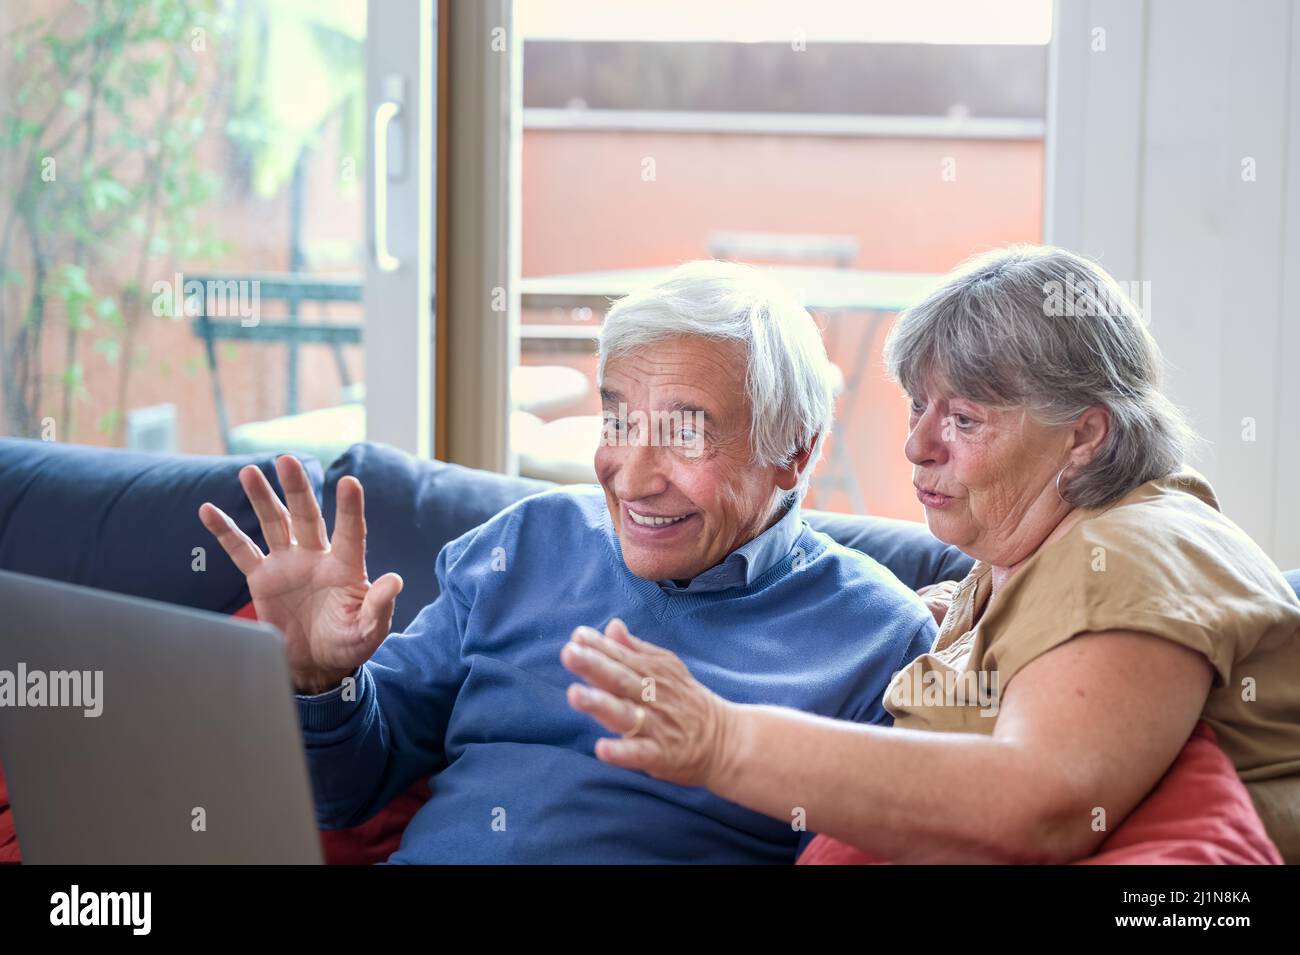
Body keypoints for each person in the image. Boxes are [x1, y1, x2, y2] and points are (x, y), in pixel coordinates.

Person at [561, 246, 1300, 863]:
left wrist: (721, 738)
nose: (916, 445)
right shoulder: (1033, 556)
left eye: (965, 418)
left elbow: (1046, 802)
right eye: (919, 405)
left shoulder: (1133, 547)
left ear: (1084, 436)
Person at [198, 260, 936, 863]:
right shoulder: (524, 543)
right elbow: (348, 791)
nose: (633, 475)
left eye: (685, 434)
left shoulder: (880, 639)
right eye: (617, 420)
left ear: (795, 451)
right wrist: (321, 683)